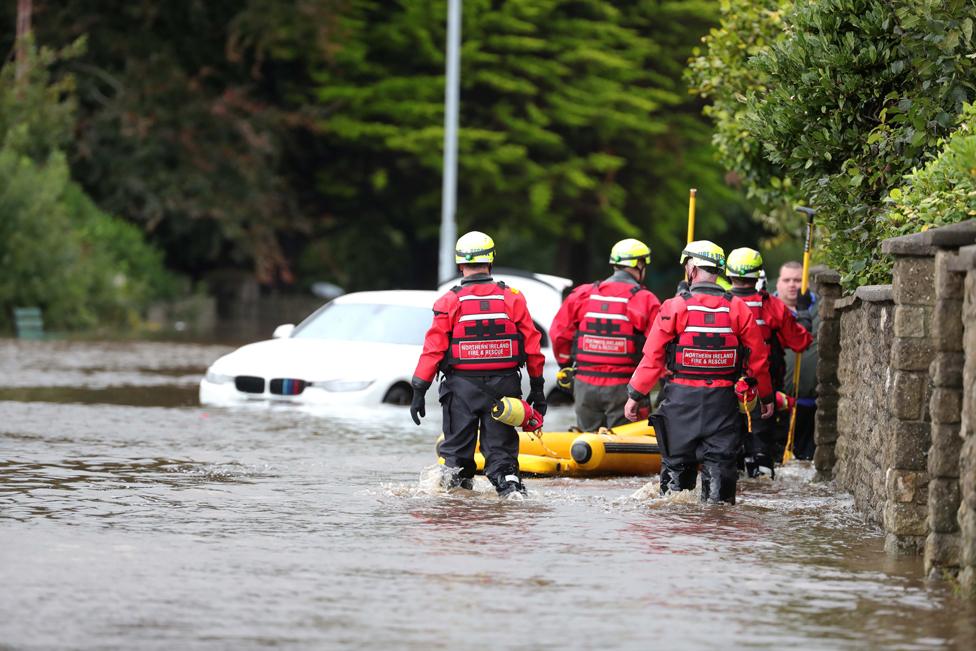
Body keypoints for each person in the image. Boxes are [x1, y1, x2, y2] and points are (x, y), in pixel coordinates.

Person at [623, 240, 774, 504]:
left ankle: (678, 530)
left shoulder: (674, 306)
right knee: (721, 476)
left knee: (675, 480)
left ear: (691, 269)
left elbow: (652, 357)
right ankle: (716, 529)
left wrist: (635, 395)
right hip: (723, 405)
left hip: (681, 403)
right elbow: (759, 359)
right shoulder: (738, 308)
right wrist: (767, 397)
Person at [409, 231, 547, 497]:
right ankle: (511, 490)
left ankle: (457, 509)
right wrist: (538, 389)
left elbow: (433, 349)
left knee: (455, 464)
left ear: (460, 264)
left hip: (460, 391)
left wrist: (418, 389)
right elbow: (533, 345)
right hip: (505, 389)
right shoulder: (513, 297)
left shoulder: (449, 301)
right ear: (491, 261)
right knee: (503, 458)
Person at [549, 239, 661, 431]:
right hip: (625, 388)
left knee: (586, 447)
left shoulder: (582, 294)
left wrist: (566, 365)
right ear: (639, 264)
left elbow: (559, 334)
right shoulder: (645, 300)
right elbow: (658, 347)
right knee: (627, 447)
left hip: (584, 386)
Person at [726, 248, 813, 477]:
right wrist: (803, 315)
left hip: (722, 389)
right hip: (761, 392)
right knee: (761, 451)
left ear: (728, 273)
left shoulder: (716, 303)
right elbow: (800, 342)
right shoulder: (772, 305)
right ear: (758, 275)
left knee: (726, 451)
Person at [775, 261, 819, 460]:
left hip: (812, 406)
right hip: (777, 405)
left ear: (806, 282)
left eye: (797, 280)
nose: (792, 285)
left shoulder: (821, 309)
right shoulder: (769, 309)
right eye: (787, 280)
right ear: (778, 283)